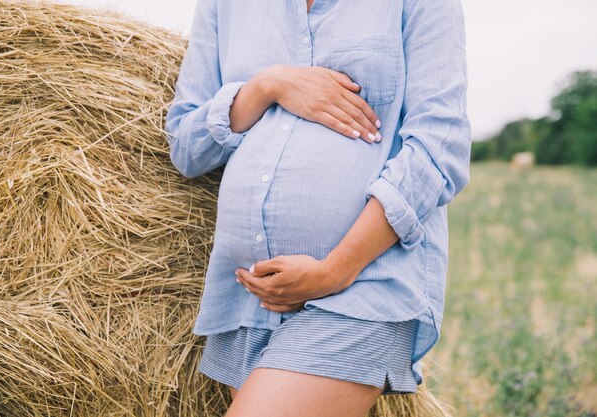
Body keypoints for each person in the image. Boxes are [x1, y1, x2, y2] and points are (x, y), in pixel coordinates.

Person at [165, 0, 471, 415]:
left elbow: (440, 145)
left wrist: (336, 269)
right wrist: (267, 85)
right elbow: (187, 146)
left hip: (362, 285)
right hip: (250, 298)